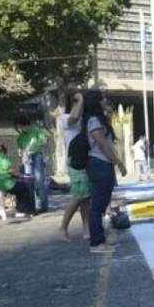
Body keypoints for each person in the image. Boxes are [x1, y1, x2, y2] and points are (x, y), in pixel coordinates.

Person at [82, 90, 127, 253]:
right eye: (102, 99)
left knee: (101, 204)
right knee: (98, 205)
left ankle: (100, 239)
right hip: (99, 163)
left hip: (103, 164)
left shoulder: (99, 119)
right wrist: (119, 163)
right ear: (96, 102)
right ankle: (96, 243)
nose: (104, 101)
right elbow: (102, 145)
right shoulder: (93, 120)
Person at [58, 92, 90, 241]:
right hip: (75, 161)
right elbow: (75, 117)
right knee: (78, 196)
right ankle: (63, 228)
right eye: (78, 103)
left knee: (85, 198)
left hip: (83, 159)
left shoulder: (83, 120)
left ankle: (86, 229)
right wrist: (80, 99)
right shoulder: (64, 119)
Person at [0, 142, 34, 216]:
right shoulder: (0, 156)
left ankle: (21, 209)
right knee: (23, 187)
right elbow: (9, 171)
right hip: (2, 182)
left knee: (19, 186)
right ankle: (22, 210)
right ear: (3, 151)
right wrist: (20, 175)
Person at [14, 114, 49, 213]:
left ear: (26, 124)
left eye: (21, 126)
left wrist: (33, 146)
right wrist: (21, 152)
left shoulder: (36, 131)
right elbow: (19, 149)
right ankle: (31, 207)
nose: (20, 129)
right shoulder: (20, 137)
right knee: (29, 183)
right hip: (27, 159)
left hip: (37, 156)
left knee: (39, 181)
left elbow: (44, 141)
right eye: (19, 127)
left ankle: (44, 206)